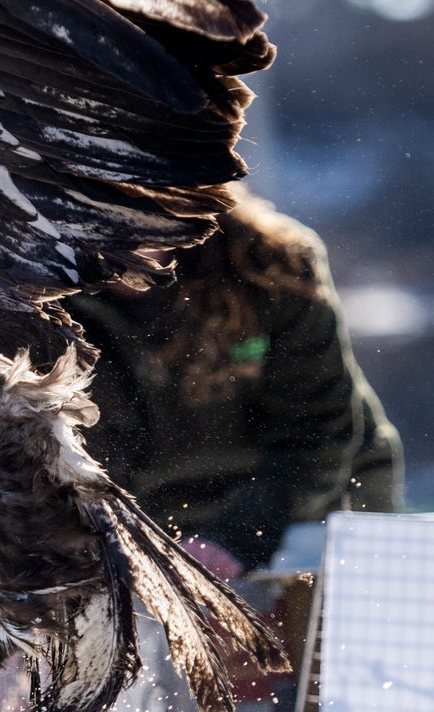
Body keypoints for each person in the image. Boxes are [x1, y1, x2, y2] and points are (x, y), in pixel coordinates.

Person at [69, 186, 403, 578]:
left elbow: (318, 432)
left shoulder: (274, 261)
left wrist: (235, 538)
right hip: (152, 522)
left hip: (315, 503)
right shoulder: (29, 286)